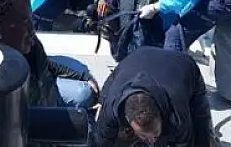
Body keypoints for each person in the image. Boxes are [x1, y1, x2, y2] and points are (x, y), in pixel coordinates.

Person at [92, 46, 220, 147]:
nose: (152, 141)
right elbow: (100, 142)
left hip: (183, 67)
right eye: (144, 136)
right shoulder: (111, 108)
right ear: (127, 118)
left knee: (201, 136)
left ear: (159, 114)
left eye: (155, 133)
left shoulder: (177, 113)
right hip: (130, 64)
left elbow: (185, 143)